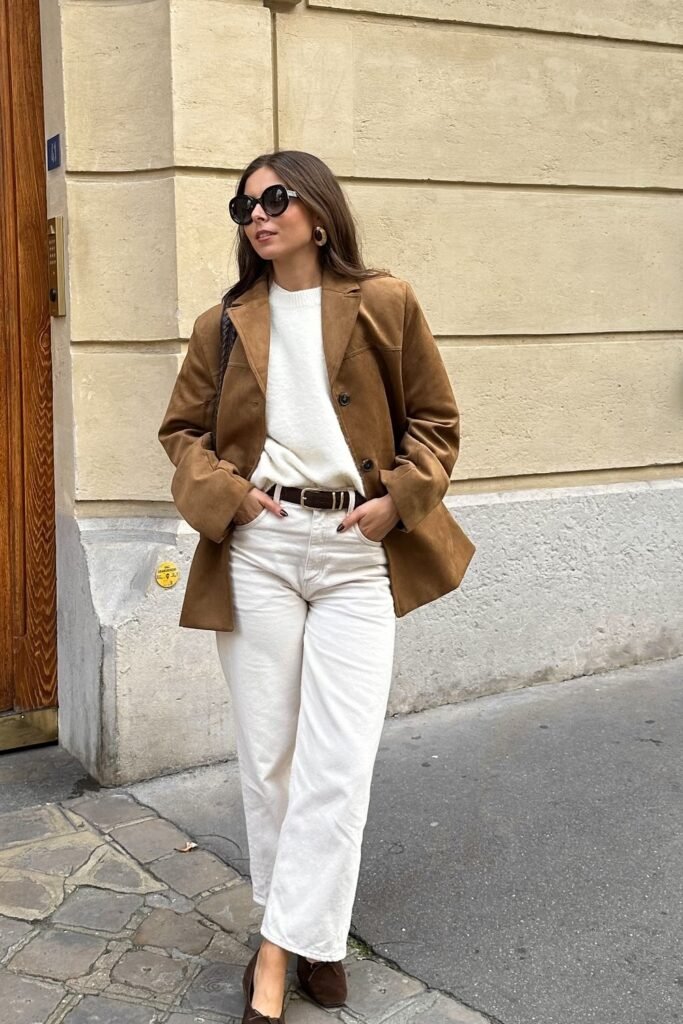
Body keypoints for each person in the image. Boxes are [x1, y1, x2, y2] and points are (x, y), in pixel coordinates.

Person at [158, 150, 476, 1023]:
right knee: (270, 759)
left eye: (274, 198)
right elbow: (182, 431)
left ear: (319, 212)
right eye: (244, 206)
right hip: (259, 548)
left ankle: (277, 950)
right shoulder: (223, 323)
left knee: (336, 761)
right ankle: (311, 939)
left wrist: (398, 500)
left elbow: (436, 421)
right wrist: (228, 496)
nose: (258, 215)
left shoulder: (383, 302)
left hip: (354, 553)